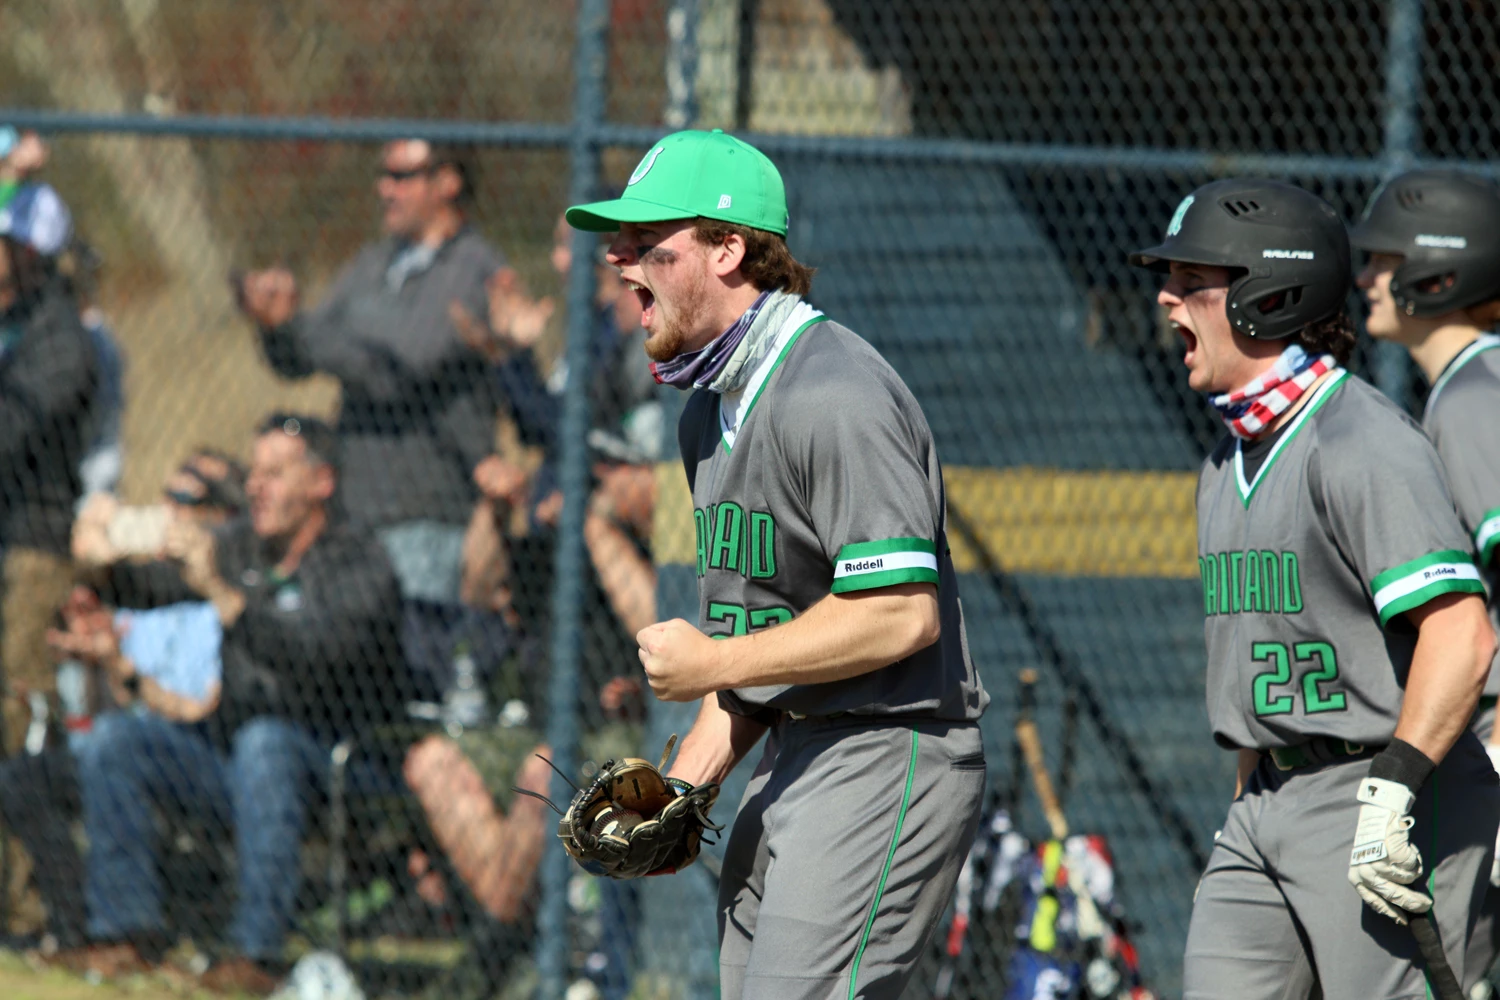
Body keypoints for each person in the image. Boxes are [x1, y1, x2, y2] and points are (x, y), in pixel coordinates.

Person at [565, 128, 988, 1000]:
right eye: (621, 241)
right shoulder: (704, 414)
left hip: (888, 747)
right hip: (794, 753)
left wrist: (714, 664)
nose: (618, 257)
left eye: (650, 244)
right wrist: (681, 787)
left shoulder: (834, 391)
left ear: (730, 249)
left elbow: (901, 612)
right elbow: (764, 645)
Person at [1128, 179, 1500, 997]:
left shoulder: (1358, 439)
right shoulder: (1224, 460)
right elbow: (1262, 675)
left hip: (1384, 793)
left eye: (1194, 283)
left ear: (1271, 294)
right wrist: (1244, 820)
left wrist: (1391, 793)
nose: (1167, 298)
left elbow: (1462, 633)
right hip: (1265, 805)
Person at [72, 414, 407, 995]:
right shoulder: (240, 545)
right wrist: (101, 559)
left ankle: (255, 951)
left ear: (321, 482)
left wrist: (227, 600)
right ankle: (127, 933)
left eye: (275, 473)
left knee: (265, 741)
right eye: (254, 471)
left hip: (337, 761)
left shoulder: (359, 561)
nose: (255, 485)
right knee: (114, 740)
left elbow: (320, 656)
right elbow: (150, 589)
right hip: (232, 760)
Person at [236, 140, 505, 603]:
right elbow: (303, 356)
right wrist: (275, 324)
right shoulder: (374, 263)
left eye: (401, 176)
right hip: (355, 509)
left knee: (416, 660)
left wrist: (312, 329)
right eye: (382, 176)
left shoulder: (473, 269)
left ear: (448, 182)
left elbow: (398, 369)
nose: (385, 189)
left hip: (425, 514)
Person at [0, 184, 97, 755]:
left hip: (32, 546)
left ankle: (34, 840)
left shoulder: (61, 338)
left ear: (28, 252)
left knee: (19, 703)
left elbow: (12, 430)